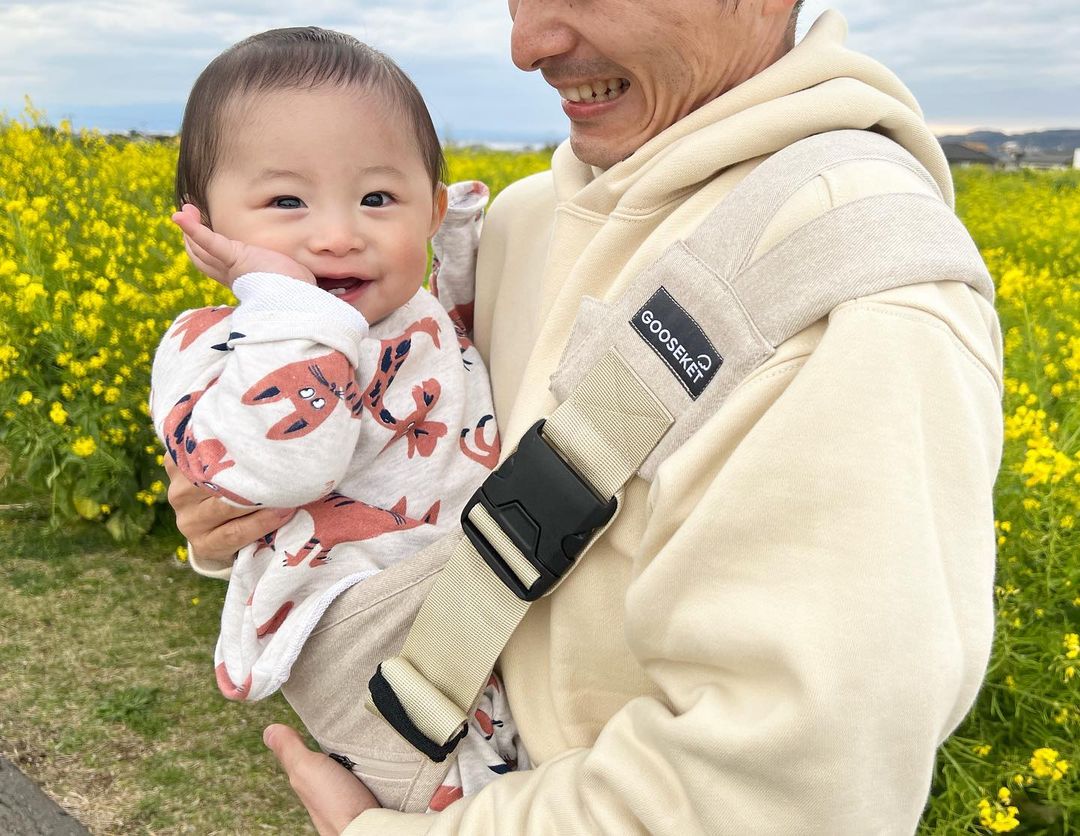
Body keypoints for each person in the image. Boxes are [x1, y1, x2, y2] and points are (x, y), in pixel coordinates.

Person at [166, 3, 1004, 834]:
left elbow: (793, 798)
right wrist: (242, 510)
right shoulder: (521, 220)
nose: (527, 43)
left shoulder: (862, 294)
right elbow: (406, 454)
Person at [151, 26, 527, 809]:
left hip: (481, 614)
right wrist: (285, 302)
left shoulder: (415, 307)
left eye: (377, 198)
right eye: (286, 202)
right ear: (204, 230)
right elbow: (290, 466)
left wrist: (459, 242)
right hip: (363, 640)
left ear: (429, 208)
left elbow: (459, 343)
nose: (337, 235)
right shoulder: (212, 345)